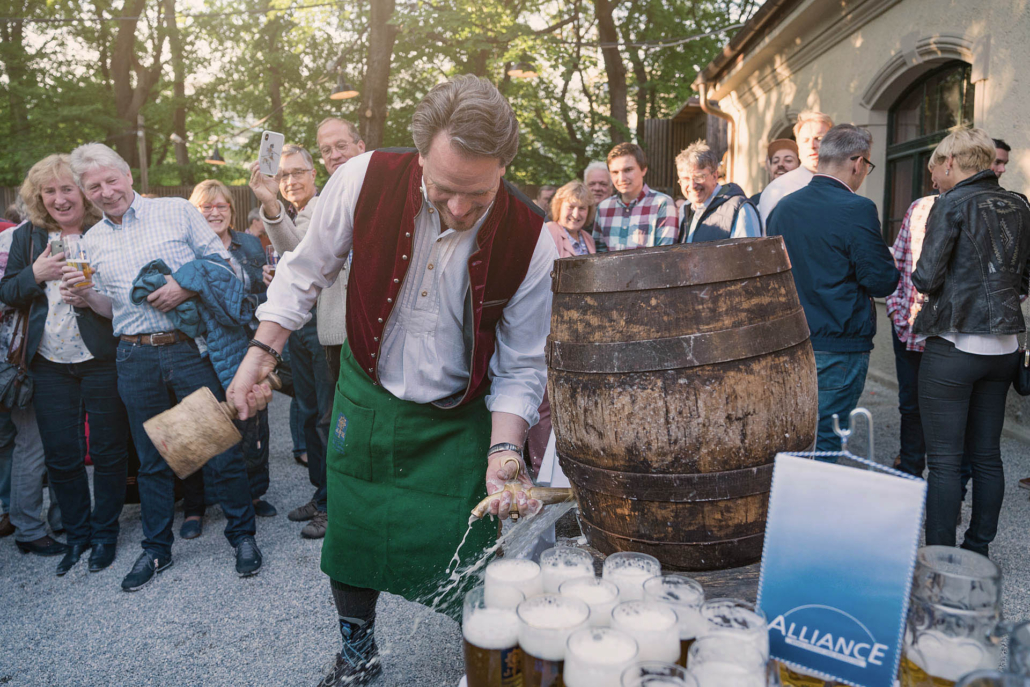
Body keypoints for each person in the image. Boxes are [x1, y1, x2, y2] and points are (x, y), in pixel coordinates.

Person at [227, 75, 555, 686]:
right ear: (421, 151)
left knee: (473, 547)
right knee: (352, 535)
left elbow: (522, 361)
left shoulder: (534, 237)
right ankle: (357, 655)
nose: (458, 209)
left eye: (478, 195)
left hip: (462, 413)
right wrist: (260, 353)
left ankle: (481, 662)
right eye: (445, 188)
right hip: (367, 393)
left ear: (504, 168)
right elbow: (304, 273)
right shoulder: (363, 177)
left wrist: (506, 449)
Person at [67, 143, 262, 590]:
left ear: (128, 175)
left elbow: (224, 263)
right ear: (86, 192)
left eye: (111, 180)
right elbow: (110, 309)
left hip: (187, 348)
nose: (106, 191)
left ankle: (242, 536)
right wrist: (84, 297)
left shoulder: (175, 211)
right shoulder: (91, 242)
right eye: (94, 186)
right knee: (152, 458)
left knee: (217, 446)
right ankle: (156, 550)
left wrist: (184, 284)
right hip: (134, 354)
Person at [0, 154, 130, 575]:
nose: (59, 198)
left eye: (67, 189)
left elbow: (126, 291)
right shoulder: (29, 237)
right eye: (50, 191)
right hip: (48, 362)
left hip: (100, 358)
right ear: (40, 197)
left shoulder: (105, 230)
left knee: (109, 451)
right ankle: (78, 536)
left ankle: (105, 534)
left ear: (83, 192)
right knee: (61, 455)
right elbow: (7, 292)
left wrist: (92, 293)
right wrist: (35, 274)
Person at [912, 127, 1030, 557]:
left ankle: (941, 557)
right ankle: (977, 549)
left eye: (935, 172)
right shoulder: (1019, 204)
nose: (934, 182)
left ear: (949, 163)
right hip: (1003, 350)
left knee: (943, 461)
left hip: (955, 344)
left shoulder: (952, 202)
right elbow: (1025, 278)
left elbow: (926, 276)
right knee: (987, 456)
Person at [766, 124, 899, 454]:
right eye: (866, 166)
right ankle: (811, 505)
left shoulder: (784, 207)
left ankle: (791, 502)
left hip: (794, 340)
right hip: (839, 342)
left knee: (794, 433)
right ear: (857, 162)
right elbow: (881, 281)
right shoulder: (857, 208)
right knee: (826, 438)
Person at [179, 180, 275, 541]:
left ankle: (252, 493)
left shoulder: (249, 243)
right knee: (203, 422)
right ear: (195, 211)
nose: (214, 213)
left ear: (231, 211)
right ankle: (196, 504)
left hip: (247, 343)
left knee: (252, 420)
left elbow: (261, 292)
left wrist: (264, 282)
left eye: (221, 206)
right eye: (206, 207)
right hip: (202, 346)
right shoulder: (185, 245)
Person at [250, 144, 335, 539]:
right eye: (283, 175)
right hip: (300, 324)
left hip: (324, 323)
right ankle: (321, 495)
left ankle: (334, 504)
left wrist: (269, 204)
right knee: (306, 410)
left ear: (313, 173)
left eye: (297, 172)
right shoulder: (298, 213)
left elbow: (296, 248)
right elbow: (293, 261)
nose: (289, 180)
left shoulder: (324, 207)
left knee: (325, 417)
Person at [527, 181, 597, 474]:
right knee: (544, 399)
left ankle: (563, 469)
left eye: (583, 207)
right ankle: (542, 466)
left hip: (578, 331)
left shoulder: (587, 239)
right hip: (550, 326)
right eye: (571, 205)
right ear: (559, 205)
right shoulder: (549, 232)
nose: (577, 213)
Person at [885, 189, 936, 478]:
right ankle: (910, 478)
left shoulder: (993, 207)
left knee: (950, 416)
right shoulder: (920, 207)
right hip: (909, 330)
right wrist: (894, 310)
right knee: (911, 407)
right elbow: (899, 261)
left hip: (950, 337)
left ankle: (946, 497)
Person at [593, 143, 677, 252]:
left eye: (628, 170)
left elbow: (666, 255)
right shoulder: (604, 208)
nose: (621, 178)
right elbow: (598, 255)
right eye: (615, 172)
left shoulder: (662, 204)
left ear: (643, 170)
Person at [674, 140, 761, 243]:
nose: (692, 185)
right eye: (685, 179)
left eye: (698, 177)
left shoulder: (740, 209)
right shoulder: (686, 208)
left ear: (715, 176)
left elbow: (750, 256)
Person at [758, 111, 834, 225]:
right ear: (798, 146)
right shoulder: (778, 189)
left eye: (819, 138)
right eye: (805, 140)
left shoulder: (841, 182)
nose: (812, 145)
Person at [750, 139, 799, 205]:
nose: (780, 164)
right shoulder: (756, 201)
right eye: (775, 161)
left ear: (799, 165)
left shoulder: (807, 199)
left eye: (788, 160)